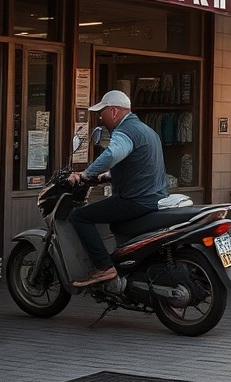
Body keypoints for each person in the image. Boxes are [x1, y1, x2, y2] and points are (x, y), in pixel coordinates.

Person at [67, 89, 170, 286]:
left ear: (114, 111)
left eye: (102, 111)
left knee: (79, 216)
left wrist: (85, 174)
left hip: (135, 200)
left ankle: (104, 267)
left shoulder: (125, 131)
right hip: (155, 198)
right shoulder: (148, 131)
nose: (100, 116)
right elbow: (139, 166)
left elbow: (112, 155)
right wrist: (107, 176)